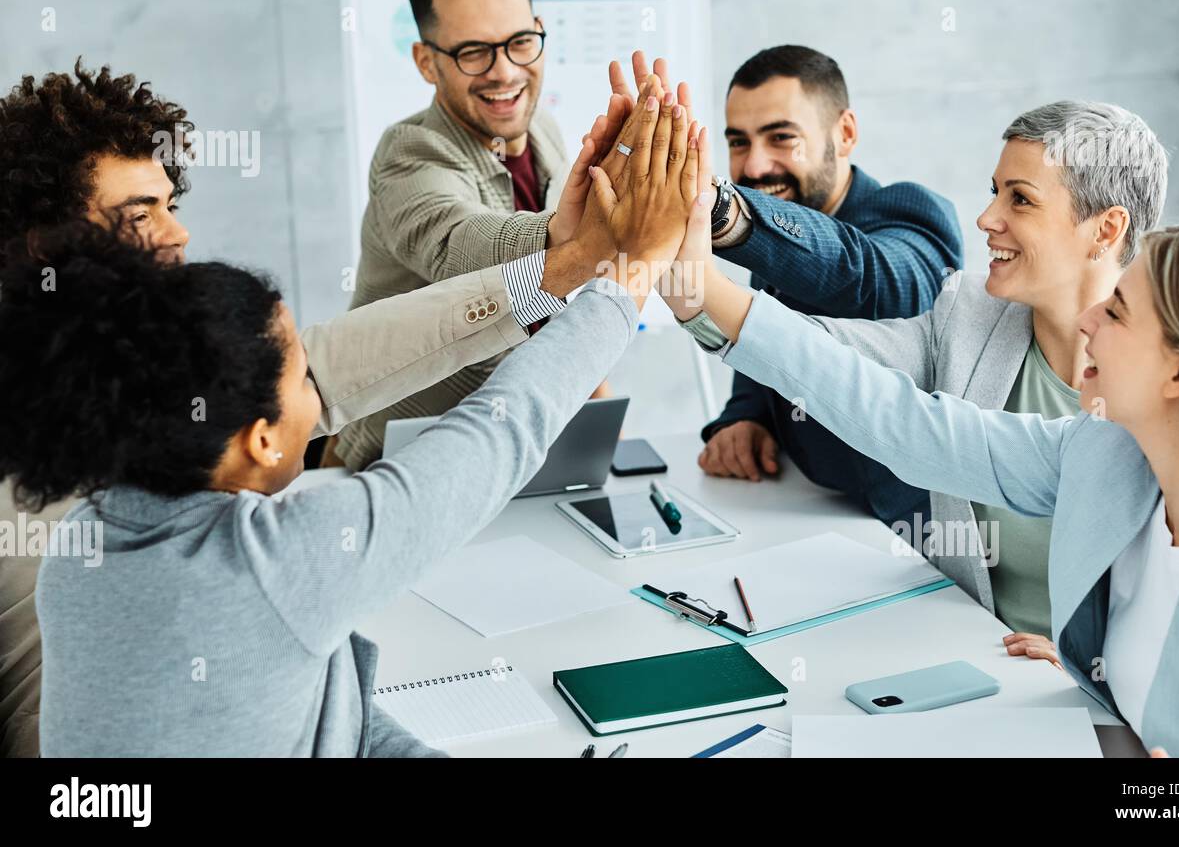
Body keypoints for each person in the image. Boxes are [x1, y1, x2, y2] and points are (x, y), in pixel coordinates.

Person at [0, 84, 700, 757]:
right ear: (46, 245)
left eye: (171, 202)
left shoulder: (141, 411)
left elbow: (327, 366)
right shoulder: (259, 553)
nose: (180, 232)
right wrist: (624, 281)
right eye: (141, 212)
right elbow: (493, 435)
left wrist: (564, 268)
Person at [660, 162, 1179, 754]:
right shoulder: (1106, 455)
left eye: (1119, 312)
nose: (1088, 320)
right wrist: (701, 293)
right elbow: (911, 427)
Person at [671, 99, 1168, 654]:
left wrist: (1085, 668)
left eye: (1021, 199)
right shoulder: (970, 313)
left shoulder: (1165, 393)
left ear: (1106, 229)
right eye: (995, 190)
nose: (986, 219)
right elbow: (833, 361)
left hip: (1097, 711)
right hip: (966, 657)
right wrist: (696, 288)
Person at [335, 0, 686, 469]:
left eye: (520, 41)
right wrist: (574, 233)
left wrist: (611, 437)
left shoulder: (542, 133)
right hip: (391, 463)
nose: (504, 72)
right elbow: (459, 249)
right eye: (473, 51)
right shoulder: (407, 153)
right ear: (427, 62)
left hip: (512, 453)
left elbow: (556, 305)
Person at [612, 47, 963, 527]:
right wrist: (745, 419)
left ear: (845, 133)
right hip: (801, 514)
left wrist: (719, 209)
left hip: (917, 539)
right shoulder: (773, 237)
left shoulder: (911, 212)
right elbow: (770, 345)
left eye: (781, 138)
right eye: (738, 142)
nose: (755, 167)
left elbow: (874, 282)